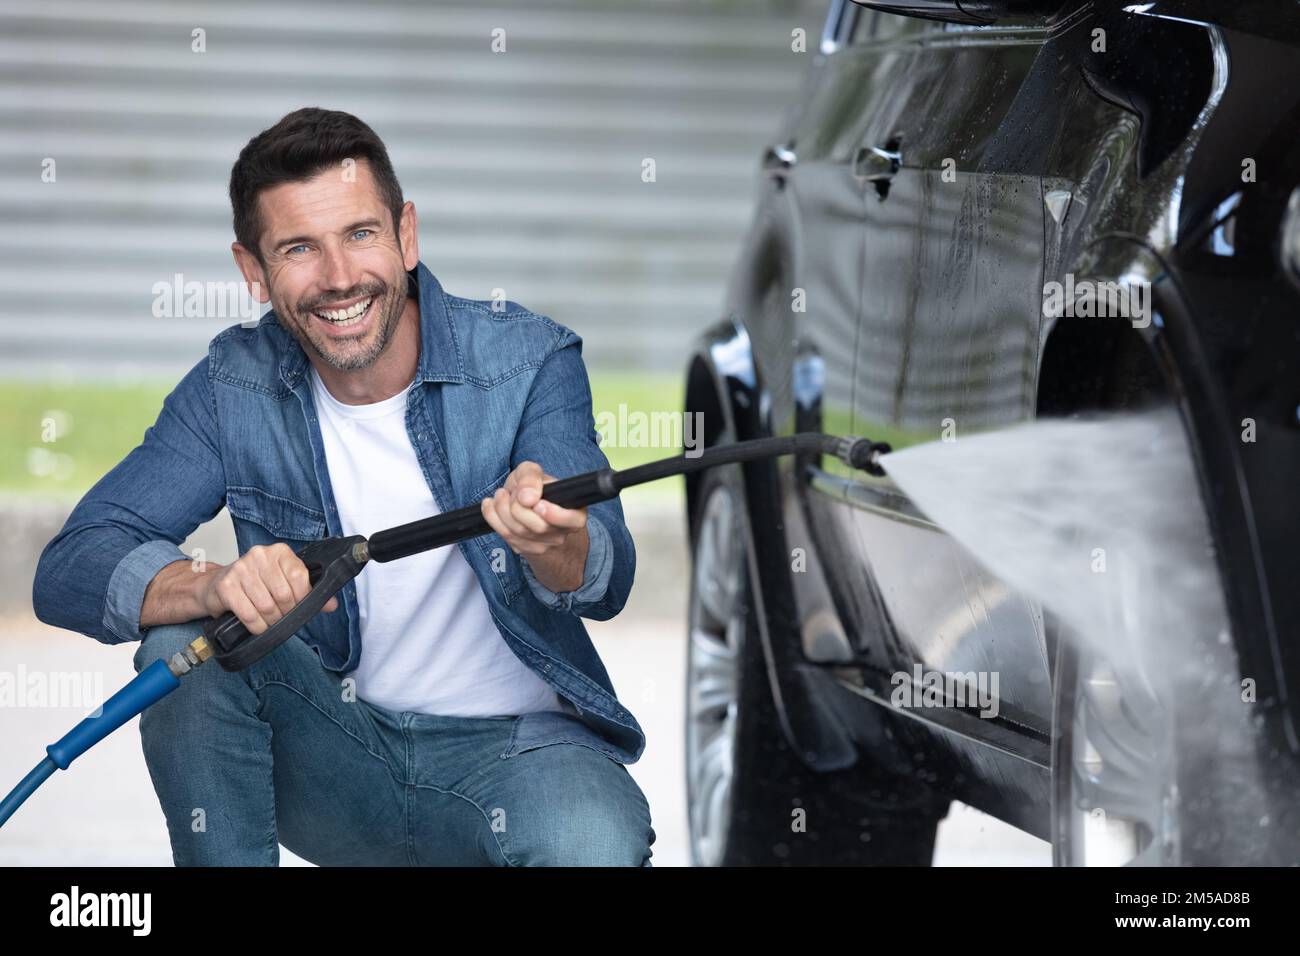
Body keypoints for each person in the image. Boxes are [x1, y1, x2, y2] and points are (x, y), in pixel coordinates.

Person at [32, 107, 654, 867]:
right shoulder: (233, 385)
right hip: (339, 762)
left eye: (361, 234)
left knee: (591, 844)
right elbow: (71, 566)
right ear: (253, 272)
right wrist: (213, 583)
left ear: (407, 236)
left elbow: (606, 577)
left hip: (523, 759)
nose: (338, 278)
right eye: (299, 248)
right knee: (185, 649)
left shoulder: (528, 358)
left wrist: (559, 542)